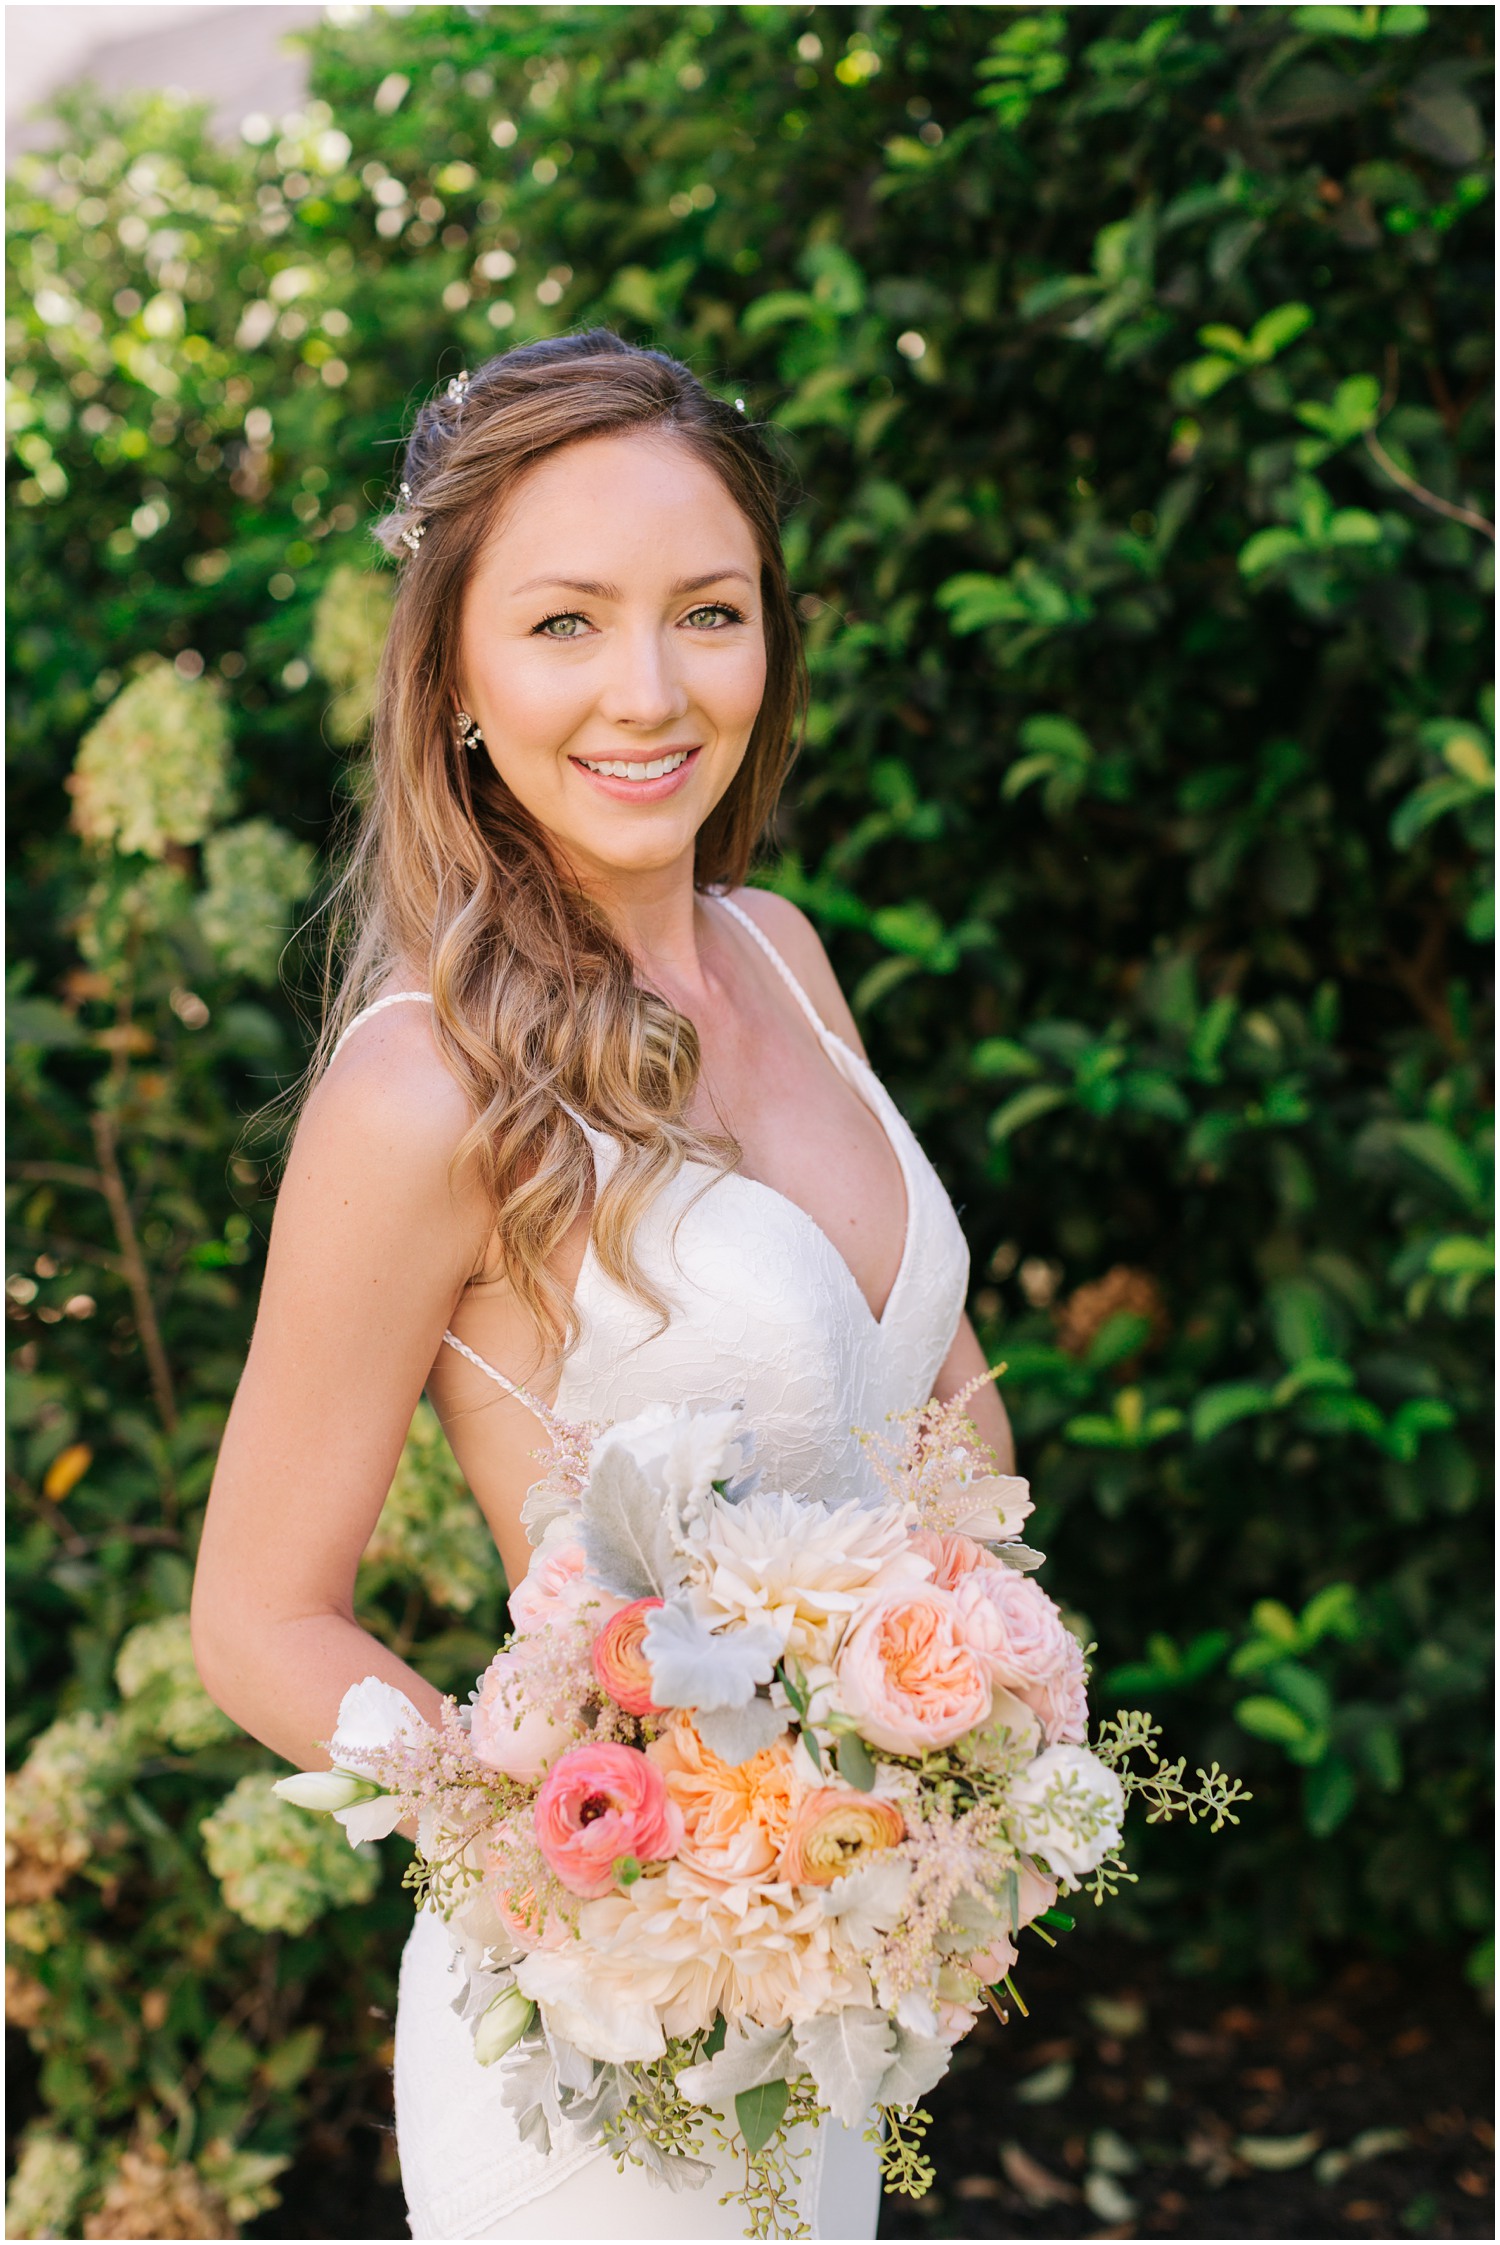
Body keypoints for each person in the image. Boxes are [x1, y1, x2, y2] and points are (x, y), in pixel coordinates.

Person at [192, 330, 1014, 2241]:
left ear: (768, 641)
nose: (647, 693)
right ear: (457, 674)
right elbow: (254, 1613)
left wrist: (970, 1744)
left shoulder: (786, 953)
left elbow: (947, 1431)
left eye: (705, 614)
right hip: (600, 2037)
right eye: (565, 623)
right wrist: (570, 1850)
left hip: (830, 1991)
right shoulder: (423, 1085)